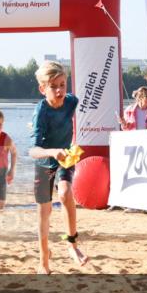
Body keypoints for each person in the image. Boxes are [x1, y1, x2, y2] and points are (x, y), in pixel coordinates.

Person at [29, 60, 87, 274]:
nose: (60, 90)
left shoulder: (72, 101)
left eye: (63, 84)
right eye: (53, 86)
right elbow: (32, 150)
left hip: (65, 157)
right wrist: (52, 151)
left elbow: (72, 101)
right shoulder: (41, 112)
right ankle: (44, 260)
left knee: (65, 193)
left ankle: (72, 246)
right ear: (42, 89)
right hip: (45, 161)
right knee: (44, 211)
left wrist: (63, 151)